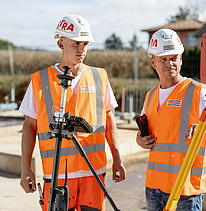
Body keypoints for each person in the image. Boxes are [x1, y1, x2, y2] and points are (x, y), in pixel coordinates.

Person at [19, 14, 126, 211]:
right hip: (57, 173)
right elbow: (30, 126)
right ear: (60, 43)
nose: (82, 49)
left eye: (85, 43)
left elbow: (109, 121)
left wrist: (117, 160)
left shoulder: (99, 77)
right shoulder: (40, 80)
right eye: (76, 43)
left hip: (93, 173)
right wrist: (26, 169)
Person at [136, 29, 206, 211]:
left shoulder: (199, 92)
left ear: (181, 59)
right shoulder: (150, 96)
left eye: (174, 58)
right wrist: (140, 140)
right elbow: (144, 135)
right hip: (153, 188)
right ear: (153, 62)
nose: (169, 64)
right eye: (163, 59)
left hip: (186, 190)